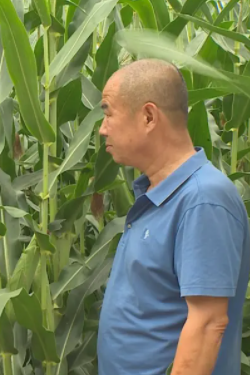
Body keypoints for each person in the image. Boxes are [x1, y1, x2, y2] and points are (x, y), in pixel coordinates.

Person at [96, 58, 250, 375]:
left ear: (149, 116)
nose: (102, 128)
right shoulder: (158, 193)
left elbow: (208, 325)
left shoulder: (202, 200)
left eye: (108, 112)